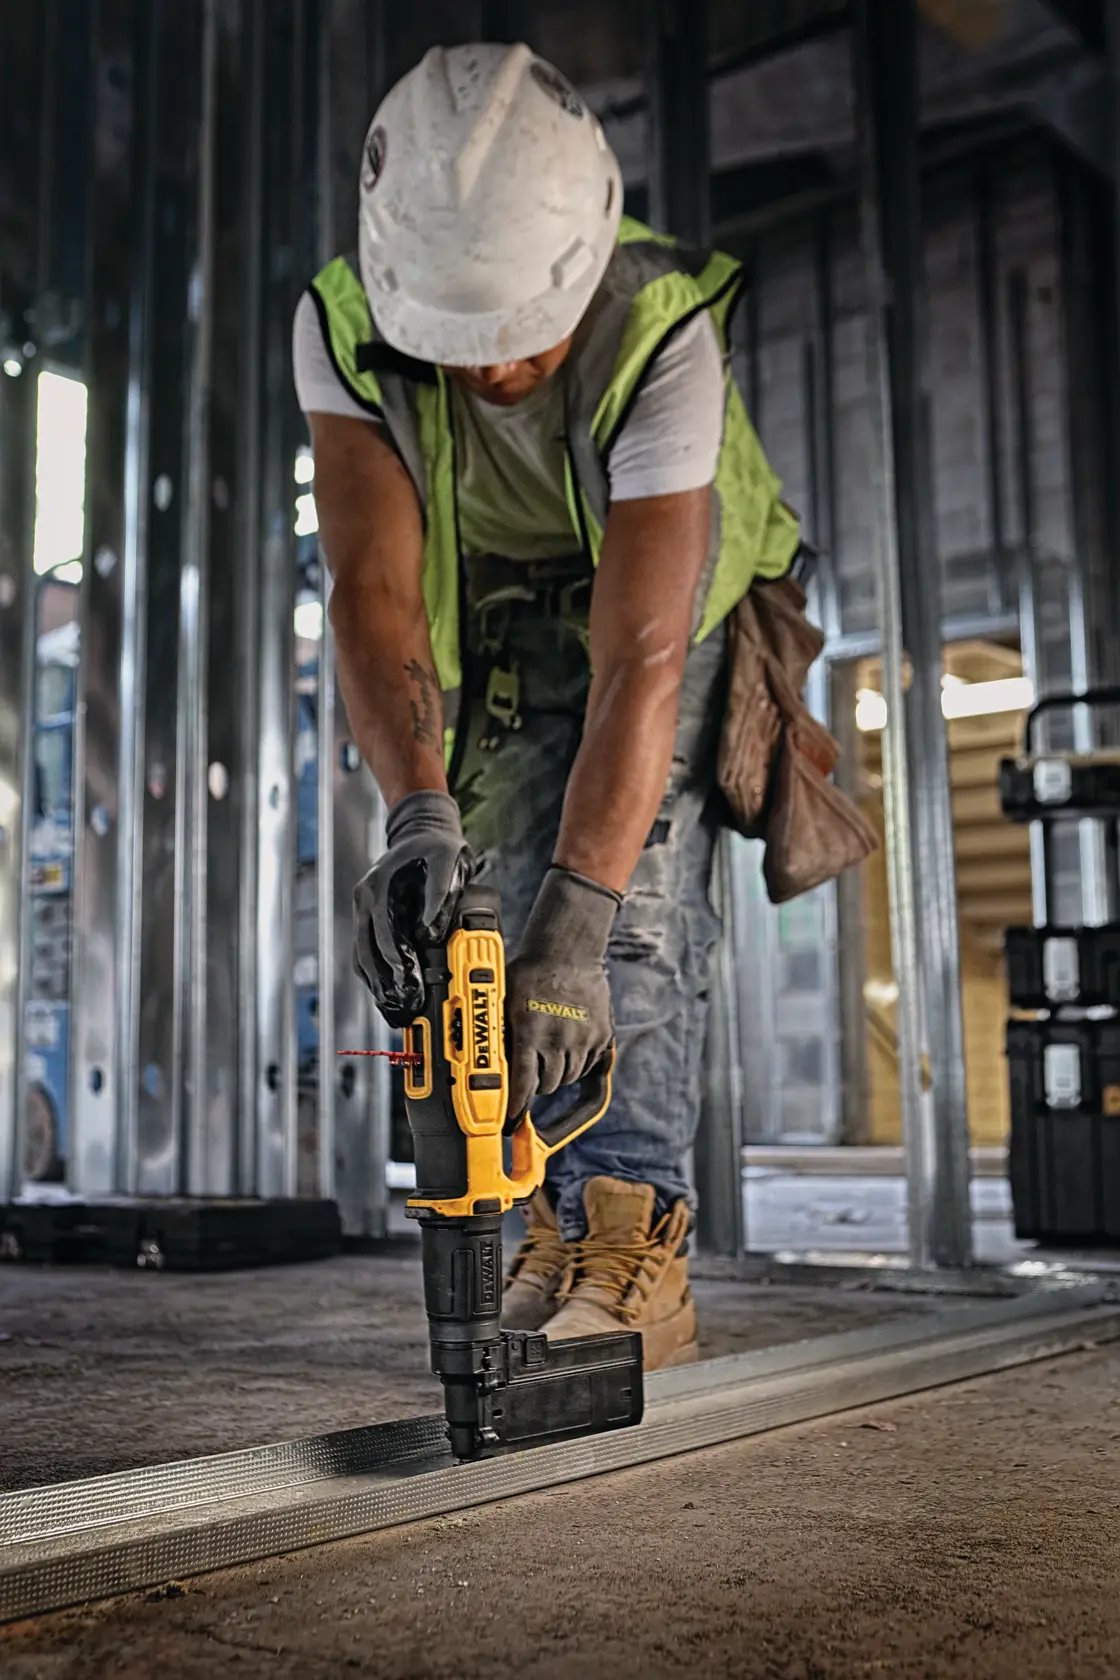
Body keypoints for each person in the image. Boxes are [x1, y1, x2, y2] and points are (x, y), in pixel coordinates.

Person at [293, 42, 799, 1371]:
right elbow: (372, 592)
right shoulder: (344, 328)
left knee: (625, 913)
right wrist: (414, 816)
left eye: (522, 341)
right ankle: (547, 1230)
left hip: (663, 602)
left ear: (579, 270)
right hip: (509, 605)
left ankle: (634, 1237)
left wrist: (580, 922)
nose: (493, 375)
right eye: (460, 347)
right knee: (492, 903)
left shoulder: (660, 325)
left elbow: (639, 657)